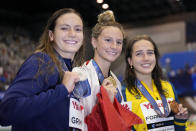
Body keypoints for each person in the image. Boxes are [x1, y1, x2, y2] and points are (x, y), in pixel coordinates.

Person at [0, 8, 85, 131]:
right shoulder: (41, 62)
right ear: (51, 35)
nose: (72, 34)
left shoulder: (73, 69)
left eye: (78, 29)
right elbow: (7, 111)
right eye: (64, 28)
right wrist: (62, 90)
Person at [123, 35, 189, 130]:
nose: (146, 58)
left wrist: (180, 120)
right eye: (139, 54)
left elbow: (179, 128)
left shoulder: (168, 86)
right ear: (130, 61)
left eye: (150, 53)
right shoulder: (123, 92)